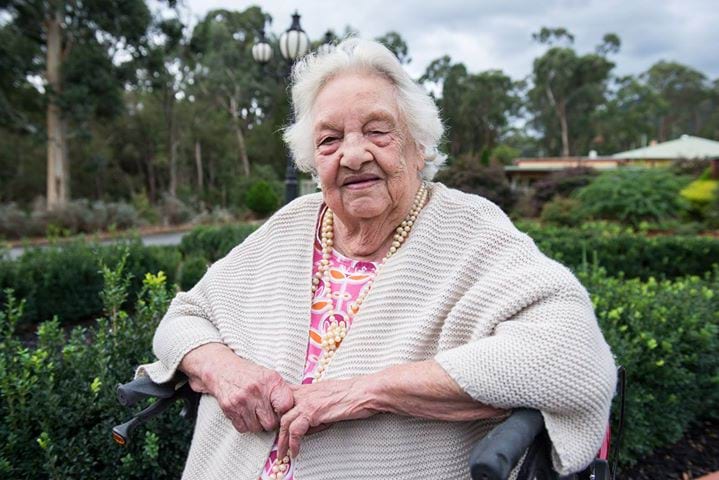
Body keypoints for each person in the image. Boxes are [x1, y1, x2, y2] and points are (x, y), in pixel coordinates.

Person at [138, 38, 616, 480]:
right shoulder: (294, 225)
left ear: (418, 145)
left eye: (377, 131)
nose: (352, 154)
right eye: (329, 140)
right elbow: (185, 317)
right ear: (312, 159)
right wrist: (225, 369)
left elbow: (572, 357)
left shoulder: (469, 230)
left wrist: (362, 392)